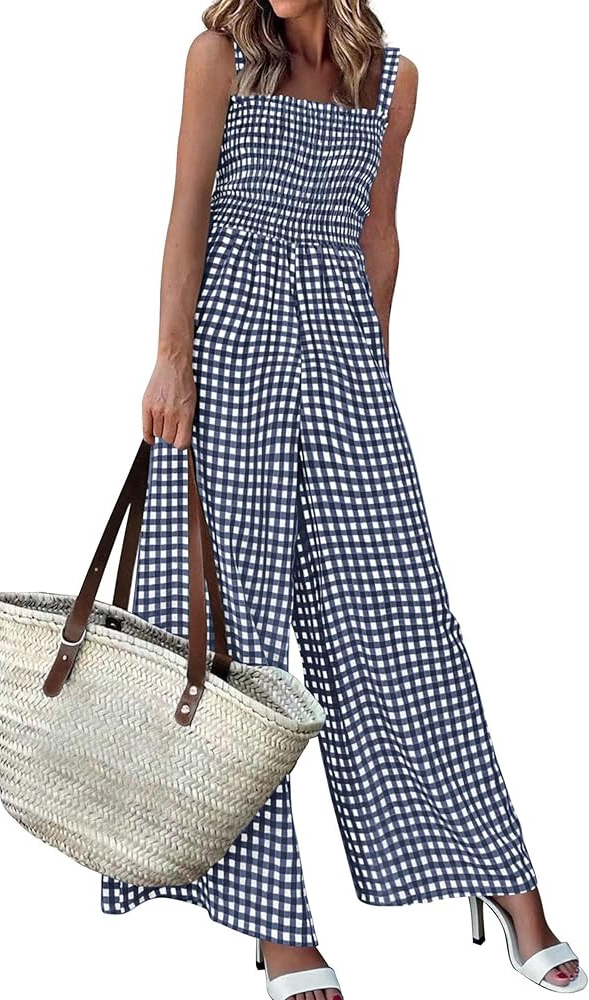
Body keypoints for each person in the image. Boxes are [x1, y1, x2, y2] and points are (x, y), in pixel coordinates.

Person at [100, 2, 585, 998]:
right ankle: (276, 924)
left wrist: (375, 380)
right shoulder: (218, 57)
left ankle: (501, 877)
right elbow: (188, 215)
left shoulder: (392, 80)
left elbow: (378, 234)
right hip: (230, 347)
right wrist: (169, 357)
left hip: (343, 353)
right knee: (229, 637)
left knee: (401, 618)